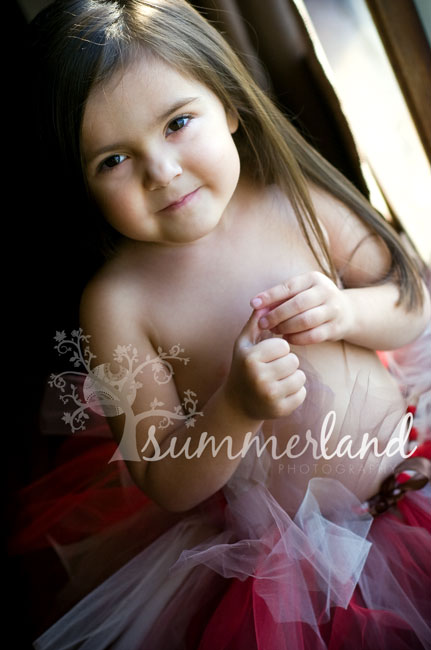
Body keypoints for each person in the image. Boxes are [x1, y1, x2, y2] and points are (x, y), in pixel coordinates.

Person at [9, 1, 431, 648]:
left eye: (178, 122)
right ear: (82, 183)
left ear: (228, 107)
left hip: (412, 478)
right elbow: (160, 476)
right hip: (284, 571)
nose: (161, 170)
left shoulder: (290, 199)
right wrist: (234, 404)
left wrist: (347, 311)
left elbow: (409, 302)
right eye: (113, 160)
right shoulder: (117, 304)